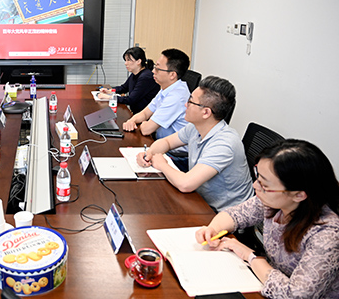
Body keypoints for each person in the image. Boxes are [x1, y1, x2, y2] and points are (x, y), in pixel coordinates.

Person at [196, 139, 339, 298]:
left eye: (264, 184)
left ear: (299, 194)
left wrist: (249, 255)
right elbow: (236, 214)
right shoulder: (274, 200)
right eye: (258, 176)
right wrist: (212, 229)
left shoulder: (328, 235)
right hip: (266, 280)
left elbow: (295, 295)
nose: (255, 186)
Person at [139, 76, 253, 211]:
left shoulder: (224, 143)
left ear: (206, 112)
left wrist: (162, 164)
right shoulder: (195, 127)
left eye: (190, 101)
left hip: (224, 214)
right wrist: (149, 154)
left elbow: (185, 184)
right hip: (199, 198)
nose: (185, 105)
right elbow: (167, 142)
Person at [122, 48, 191, 163]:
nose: (153, 71)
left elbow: (146, 129)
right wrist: (131, 120)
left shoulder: (177, 96)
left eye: (158, 68)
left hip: (175, 154)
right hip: (160, 144)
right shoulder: (166, 88)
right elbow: (145, 113)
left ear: (172, 75)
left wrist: (144, 123)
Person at [98, 46, 159, 114]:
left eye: (129, 60)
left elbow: (131, 99)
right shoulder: (135, 74)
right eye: (125, 60)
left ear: (138, 61)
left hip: (145, 117)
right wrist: (109, 91)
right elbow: (123, 88)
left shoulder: (146, 77)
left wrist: (109, 97)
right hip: (137, 113)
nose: (125, 63)